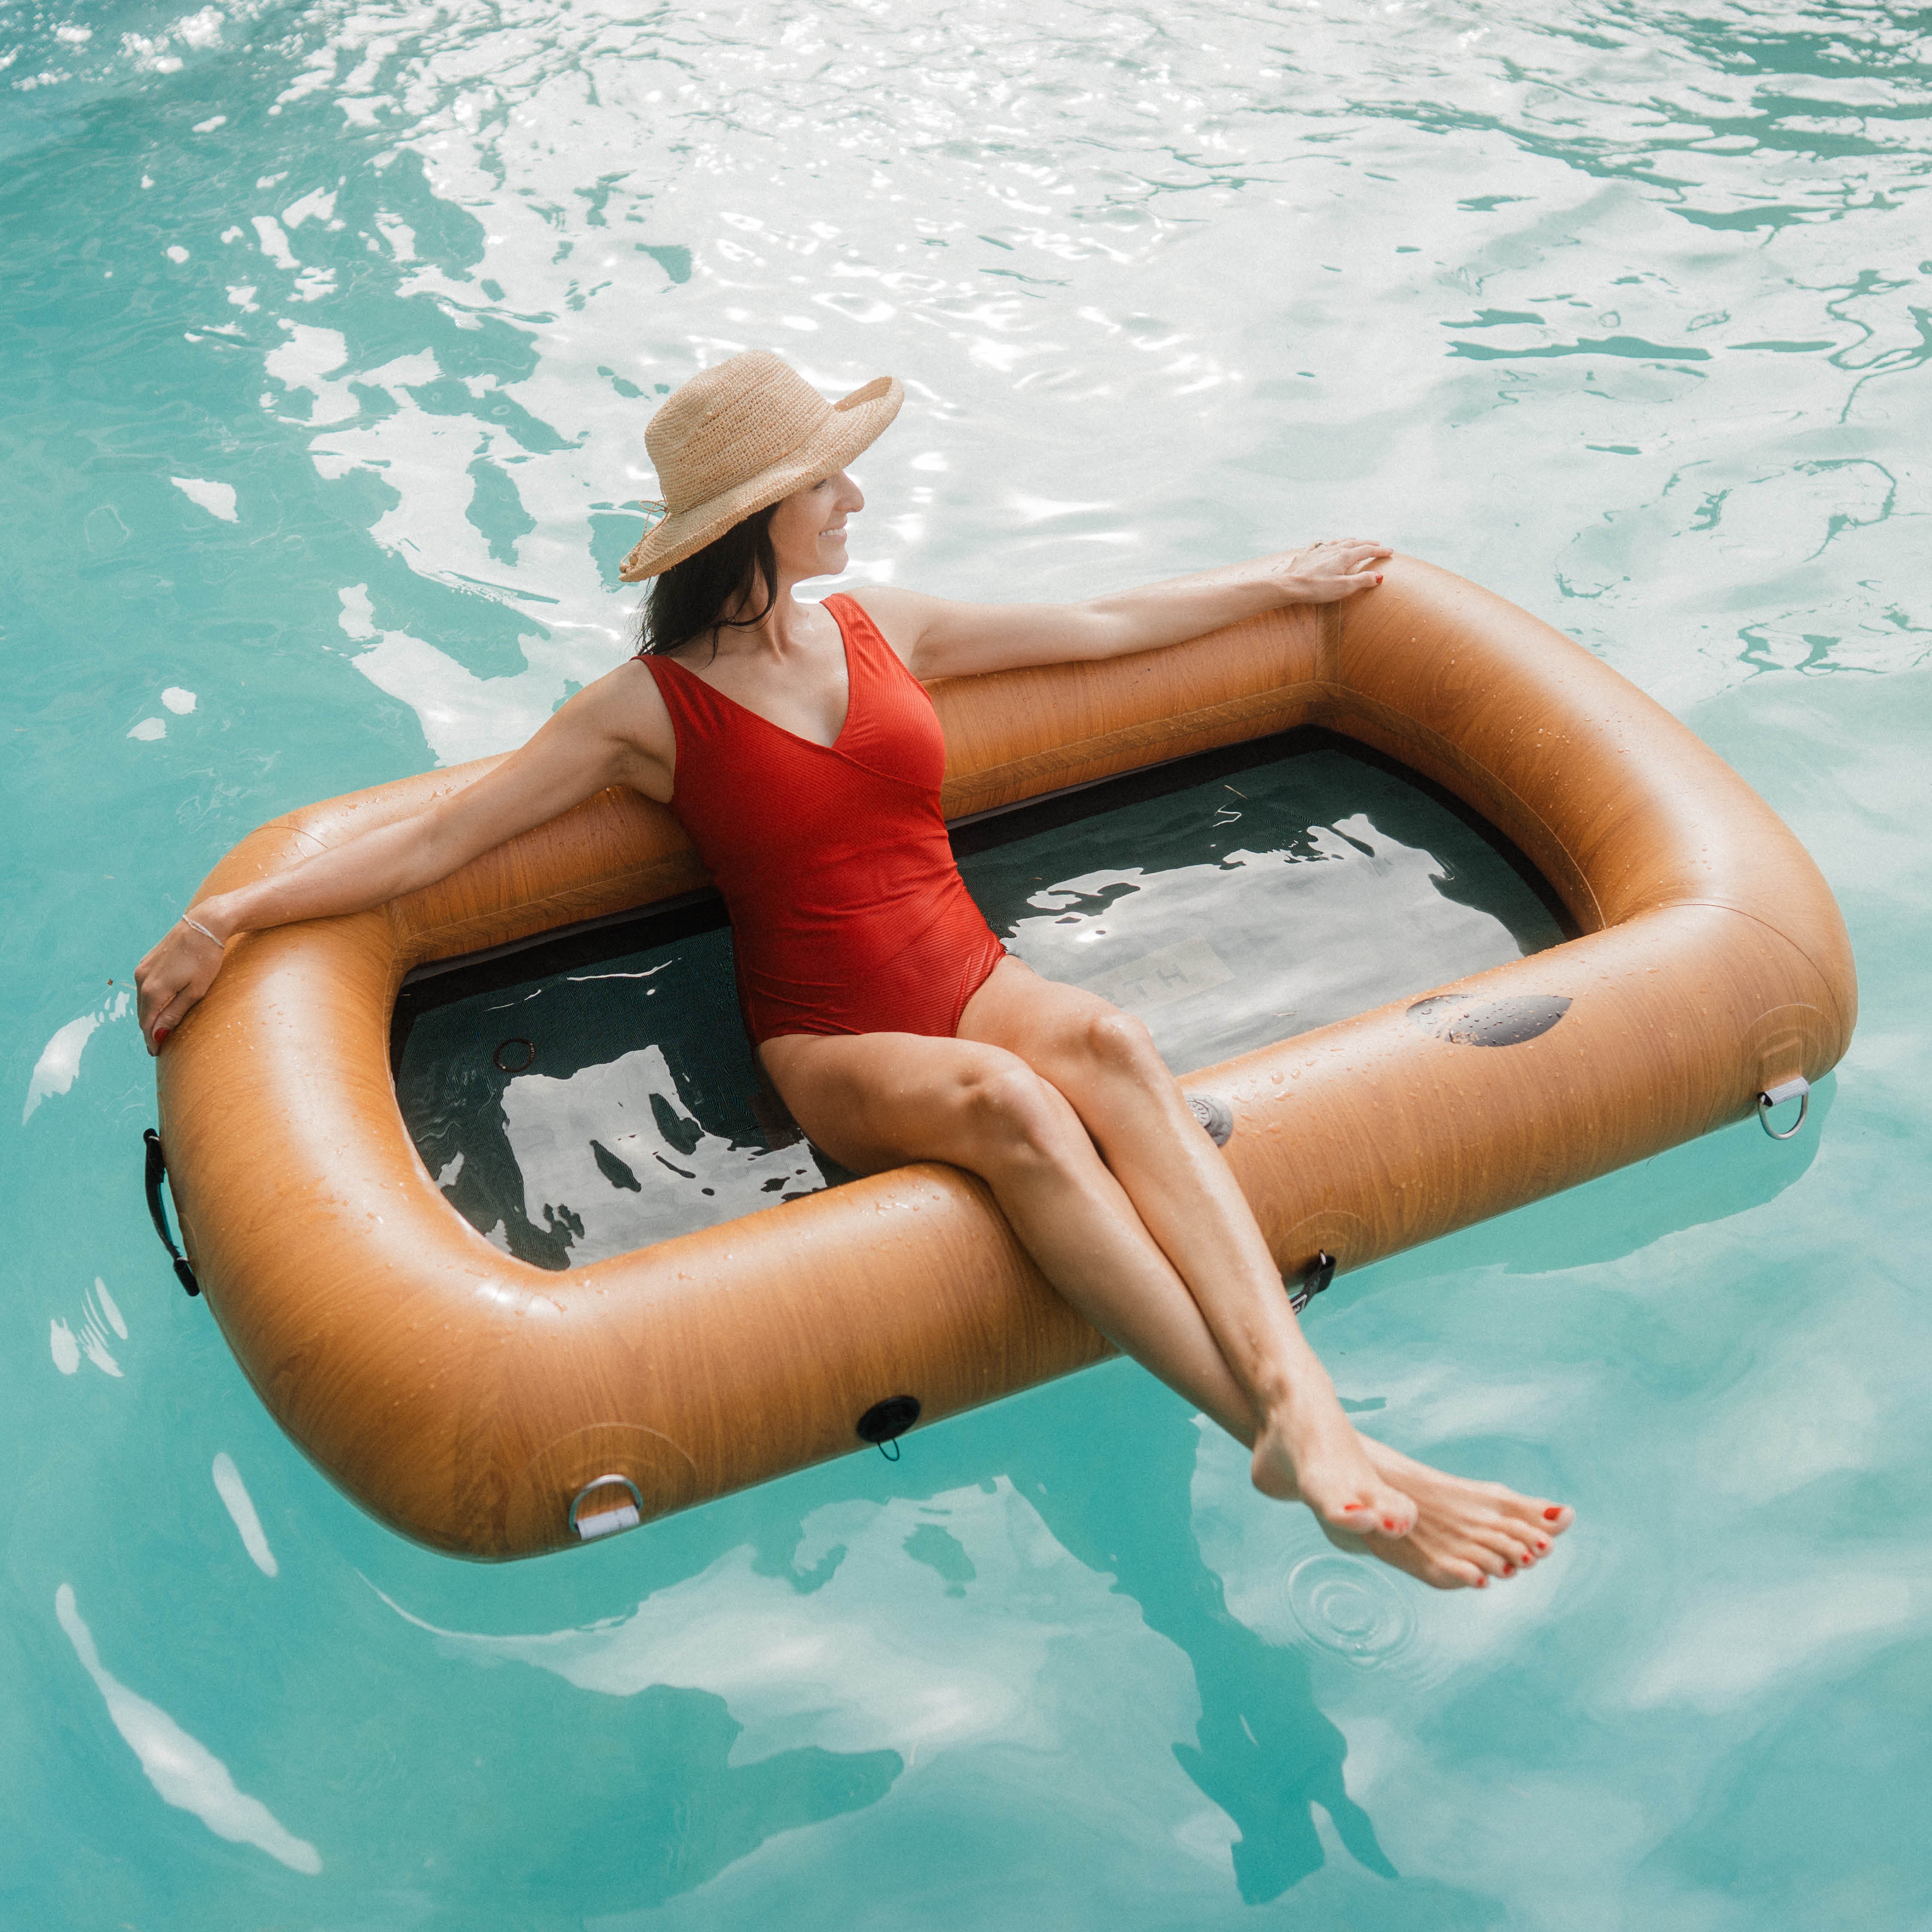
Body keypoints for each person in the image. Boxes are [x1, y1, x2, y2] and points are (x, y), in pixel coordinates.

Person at [137, 350, 1572, 1590]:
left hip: (968, 969)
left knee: (1116, 1049)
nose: (856, 502)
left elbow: (1102, 625)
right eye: (831, 483)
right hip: (829, 1037)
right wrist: (233, 917)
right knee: (1011, 1114)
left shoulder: (886, 625)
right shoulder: (646, 709)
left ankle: (1304, 1414)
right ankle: (1282, 1439)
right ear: (759, 514)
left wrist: (1277, 579)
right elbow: (439, 844)